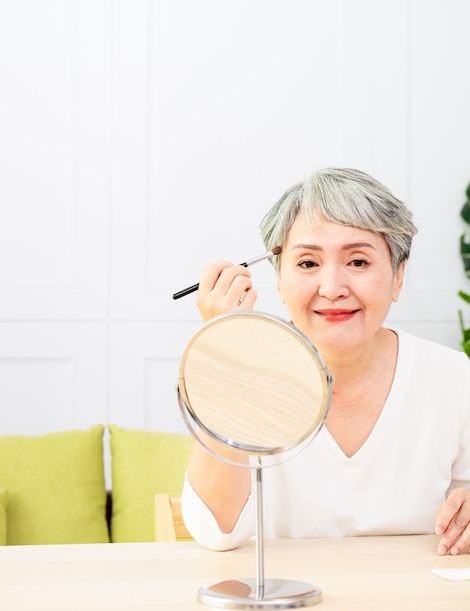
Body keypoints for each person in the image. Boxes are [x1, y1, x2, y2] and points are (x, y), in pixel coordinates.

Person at [181, 167, 470, 555]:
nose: (332, 289)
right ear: (279, 282)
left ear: (398, 277)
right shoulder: (251, 373)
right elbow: (217, 531)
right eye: (307, 264)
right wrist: (229, 347)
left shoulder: (454, 379)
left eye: (358, 262)